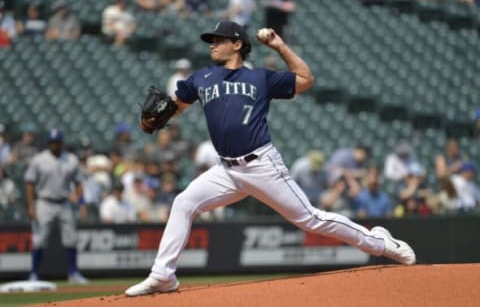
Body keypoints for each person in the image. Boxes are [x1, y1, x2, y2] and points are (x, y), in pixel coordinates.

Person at [125, 21, 416, 297]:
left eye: (217, 40)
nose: (212, 45)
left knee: (311, 220)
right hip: (226, 169)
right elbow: (175, 106)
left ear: (237, 44)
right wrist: (156, 119)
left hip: (261, 165)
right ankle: (163, 275)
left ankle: (381, 243)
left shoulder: (259, 77)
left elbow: (305, 79)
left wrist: (279, 46)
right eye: (210, 41)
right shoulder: (201, 77)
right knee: (183, 203)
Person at [24, 129, 89, 283]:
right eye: (52, 142)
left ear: (61, 143)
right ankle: (34, 274)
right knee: (39, 239)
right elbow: (29, 184)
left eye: (57, 142)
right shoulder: (39, 159)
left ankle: (73, 273)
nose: (55, 145)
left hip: (64, 203)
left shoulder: (71, 160)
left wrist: (81, 203)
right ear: (48, 143)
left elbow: (78, 183)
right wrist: (31, 205)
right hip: (44, 202)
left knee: (71, 238)